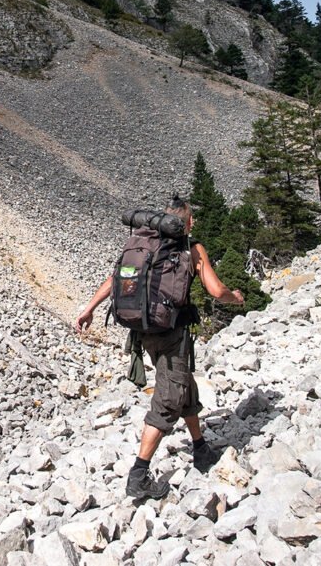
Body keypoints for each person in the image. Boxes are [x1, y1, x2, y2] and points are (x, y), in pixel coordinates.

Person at [75, 195, 246, 500]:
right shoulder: (191, 250)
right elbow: (217, 291)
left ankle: (200, 449)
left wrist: (89, 308)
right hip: (170, 333)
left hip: (144, 331)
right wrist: (236, 296)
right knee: (169, 398)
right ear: (187, 222)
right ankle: (139, 474)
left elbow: (115, 278)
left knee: (184, 385)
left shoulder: (146, 246)